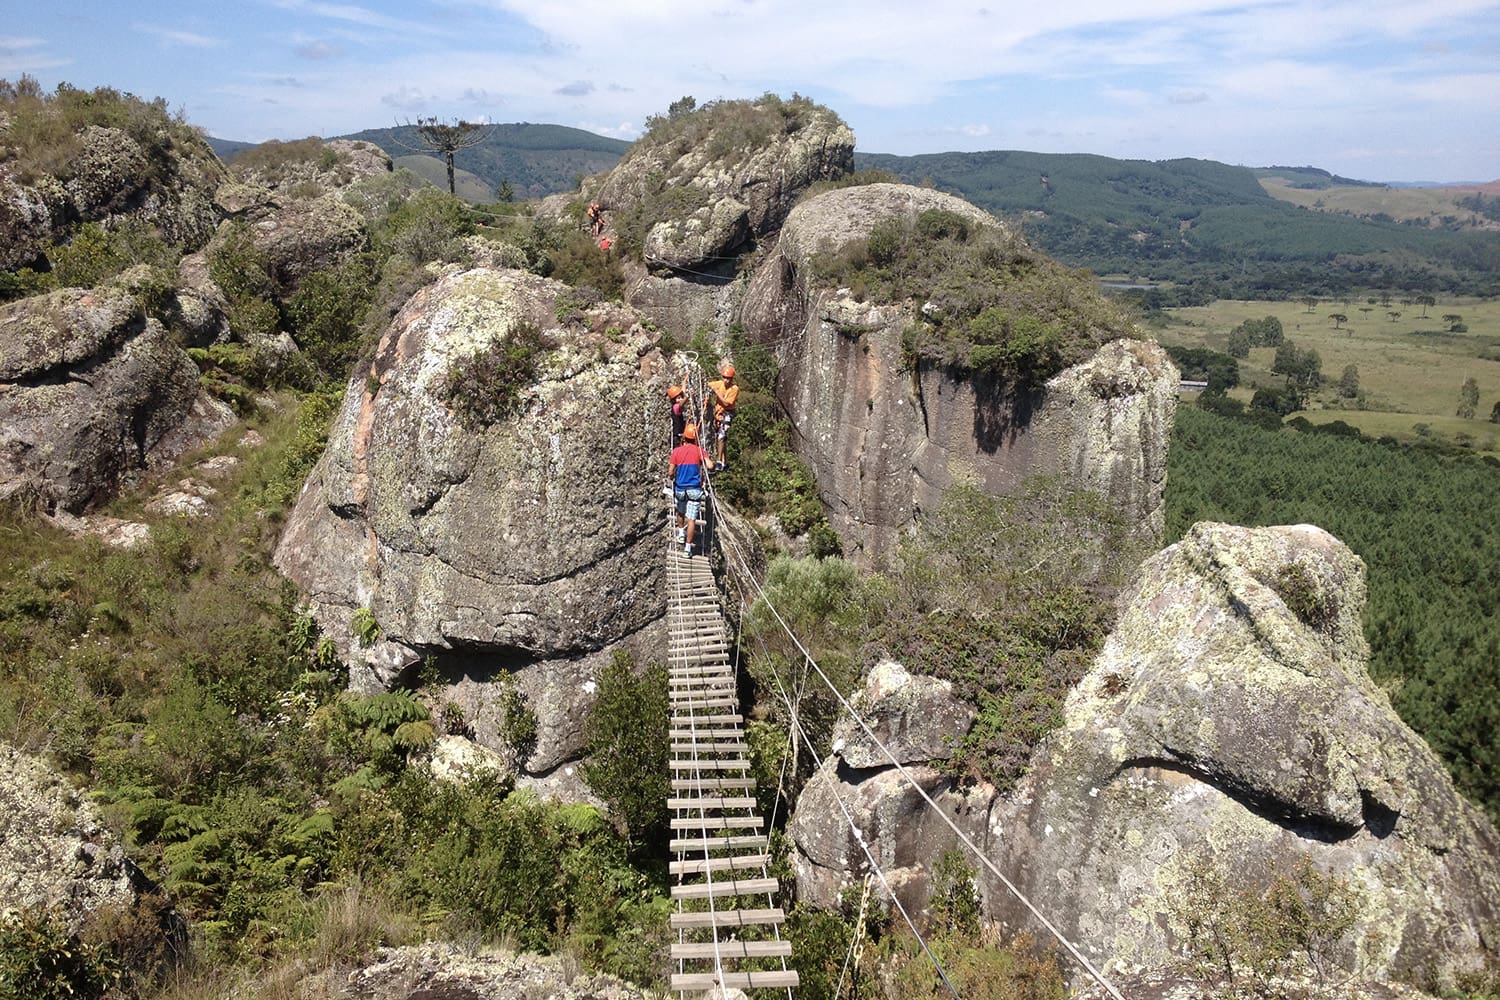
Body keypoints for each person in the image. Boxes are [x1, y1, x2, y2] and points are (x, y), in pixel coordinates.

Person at [669, 424, 713, 557]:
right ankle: (688, 549)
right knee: (692, 519)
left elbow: (670, 472)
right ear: (695, 438)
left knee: (680, 512)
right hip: (694, 489)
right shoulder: (699, 451)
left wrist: (671, 477)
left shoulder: (676, 451)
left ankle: (681, 534)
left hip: (680, 488)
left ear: (684, 437)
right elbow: (710, 466)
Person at [705, 363, 739, 471]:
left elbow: (726, 403)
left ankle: (719, 461)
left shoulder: (734, 389)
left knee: (721, 435)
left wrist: (716, 392)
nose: (726, 380)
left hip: (728, 412)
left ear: (732, 379)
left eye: (729, 378)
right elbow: (707, 384)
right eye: (724, 378)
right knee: (721, 436)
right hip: (719, 413)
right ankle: (725, 460)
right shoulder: (719, 383)